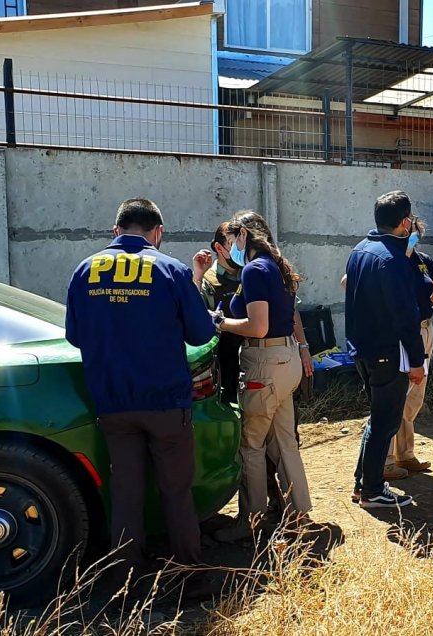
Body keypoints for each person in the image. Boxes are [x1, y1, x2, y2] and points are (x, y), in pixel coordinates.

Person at [64, 198, 215, 596]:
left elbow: (74, 337)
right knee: (176, 491)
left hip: (114, 403)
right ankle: (189, 576)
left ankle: (125, 580)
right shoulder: (171, 270)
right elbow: (201, 334)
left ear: (116, 231)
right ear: (157, 232)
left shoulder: (85, 270)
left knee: (126, 493)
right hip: (166, 402)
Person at [210, 213, 313, 540]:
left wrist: (219, 322)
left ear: (243, 236)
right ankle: (298, 516)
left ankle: (250, 522)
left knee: (250, 445)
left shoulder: (254, 270)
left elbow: (257, 326)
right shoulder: (277, 267)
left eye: (233, 239)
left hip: (264, 363)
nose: (231, 247)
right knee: (285, 444)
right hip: (286, 359)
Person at [345, 190, 425, 508]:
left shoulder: (361, 250)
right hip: (387, 352)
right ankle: (373, 490)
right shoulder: (393, 260)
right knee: (385, 423)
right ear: (405, 222)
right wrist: (417, 361)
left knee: (378, 419)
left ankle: (363, 484)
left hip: (364, 349)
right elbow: (406, 317)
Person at [384, 217, 433, 478]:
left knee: (414, 397)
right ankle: (386, 460)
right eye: (410, 231)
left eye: (416, 232)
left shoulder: (422, 260)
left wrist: (429, 303)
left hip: (424, 329)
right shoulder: (388, 260)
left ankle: (405, 454)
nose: (413, 236)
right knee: (397, 394)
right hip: (402, 332)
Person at [196, 222, 242, 404]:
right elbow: (195, 317)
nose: (239, 250)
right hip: (223, 365)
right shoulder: (207, 281)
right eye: (233, 244)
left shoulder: (252, 273)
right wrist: (198, 277)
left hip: (254, 362)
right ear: (218, 248)